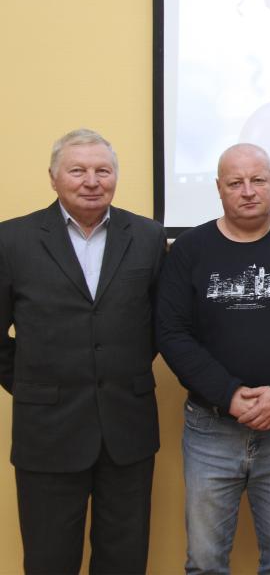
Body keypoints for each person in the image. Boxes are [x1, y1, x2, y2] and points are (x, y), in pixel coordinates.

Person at [156, 143, 270, 574]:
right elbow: (171, 333)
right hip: (210, 427)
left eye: (258, 180)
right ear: (218, 188)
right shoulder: (189, 248)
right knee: (204, 561)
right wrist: (229, 395)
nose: (248, 191)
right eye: (235, 182)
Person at [0, 128, 166, 574]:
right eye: (78, 171)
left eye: (102, 171)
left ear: (115, 177)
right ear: (53, 177)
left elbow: (158, 327)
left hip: (127, 428)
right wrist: (33, 385)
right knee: (49, 560)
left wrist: (115, 374)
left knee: (124, 559)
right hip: (47, 431)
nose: (92, 181)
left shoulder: (148, 237)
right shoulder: (11, 240)